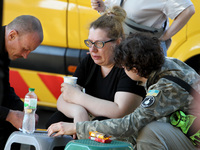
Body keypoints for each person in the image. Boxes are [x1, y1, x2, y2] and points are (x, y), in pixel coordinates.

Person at [47, 33, 200, 150]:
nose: (122, 70)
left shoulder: (165, 87)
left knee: (149, 132)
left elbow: (130, 124)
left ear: (135, 69)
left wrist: (77, 127)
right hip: (191, 131)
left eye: (124, 67)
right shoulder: (169, 64)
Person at [46, 6, 145, 138]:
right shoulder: (89, 61)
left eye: (99, 44)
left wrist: (78, 97)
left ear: (118, 42)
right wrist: (78, 112)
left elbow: (119, 111)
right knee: (55, 122)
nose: (92, 50)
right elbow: (63, 98)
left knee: (100, 124)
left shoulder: (128, 66)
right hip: (91, 120)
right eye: (89, 43)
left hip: (120, 130)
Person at [91, 0, 195, 56]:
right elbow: (116, 12)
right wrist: (103, 8)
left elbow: (188, 10)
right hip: (121, 49)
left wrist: (165, 36)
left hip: (146, 52)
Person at [0, 15, 43, 149]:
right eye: (25, 49)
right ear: (12, 35)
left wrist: (24, 111)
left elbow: (4, 89)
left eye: (30, 51)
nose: (25, 56)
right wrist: (9, 115)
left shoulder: (4, 50)